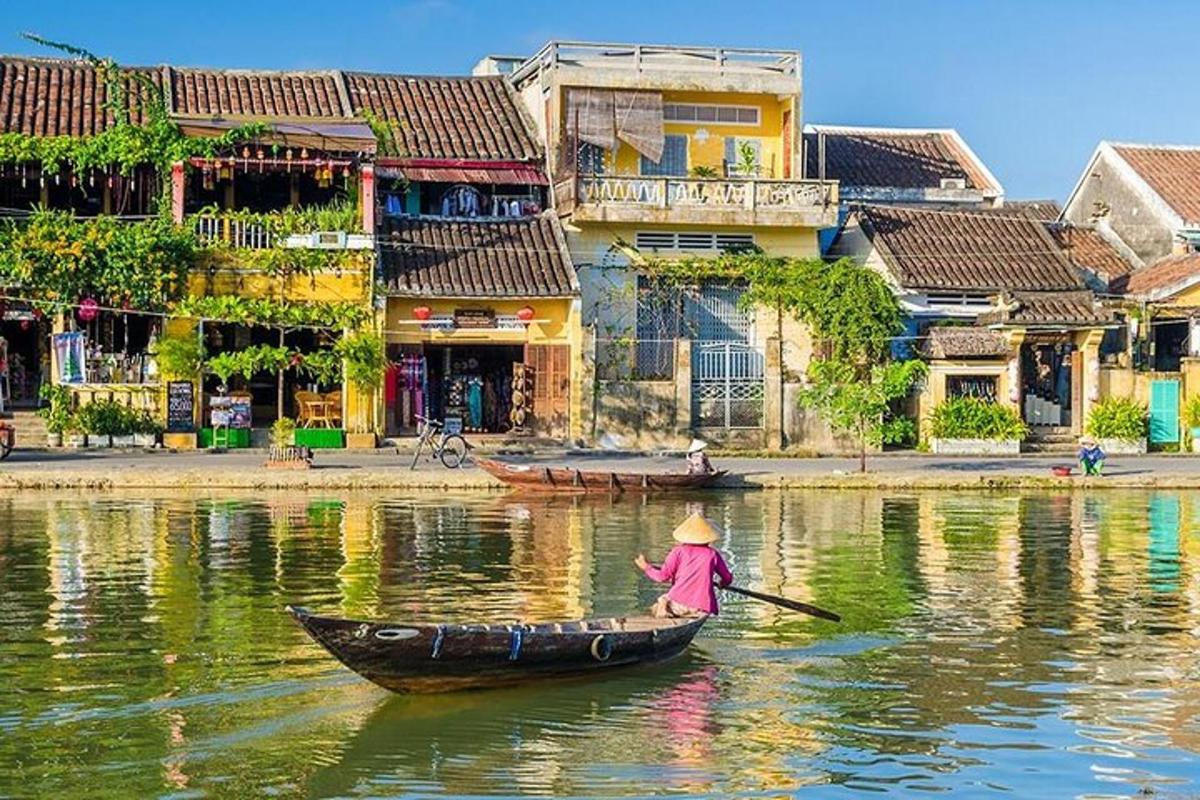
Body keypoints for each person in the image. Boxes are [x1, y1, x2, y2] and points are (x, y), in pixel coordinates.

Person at [635, 513, 733, 618]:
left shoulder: (678, 551)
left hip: (679, 603)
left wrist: (647, 567)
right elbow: (727, 578)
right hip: (701, 607)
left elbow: (662, 576)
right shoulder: (712, 554)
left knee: (660, 602)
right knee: (662, 603)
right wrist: (722, 584)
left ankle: (662, 611)